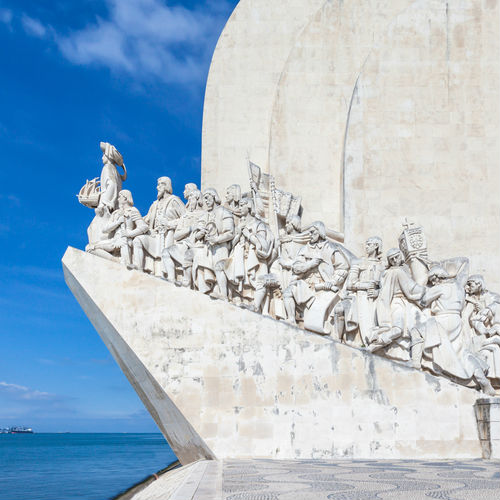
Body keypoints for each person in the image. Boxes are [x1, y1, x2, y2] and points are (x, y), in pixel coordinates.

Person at [410, 258, 496, 396]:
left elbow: (423, 301)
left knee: (417, 331)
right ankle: (483, 381)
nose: (433, 283)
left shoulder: (439, 287)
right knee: (462, 353)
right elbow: (464, 262)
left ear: (437, 278)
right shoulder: (459, 288)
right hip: (457, 322)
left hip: (443, 319)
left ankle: (415, 363)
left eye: (433, 280)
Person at [283, 221, 349, 328]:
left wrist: (332, 282)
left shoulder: (331, 248)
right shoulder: (304, 249)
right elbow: (296, 267)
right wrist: (310, 264)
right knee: (288, 292)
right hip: (306, 285)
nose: (309, 235)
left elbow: (343, 268)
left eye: (312, 232)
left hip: (324, 286)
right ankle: (291, 319)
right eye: (309, 232)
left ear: (319, 232)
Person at [368, 248, 425, 361]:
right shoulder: (396, 271)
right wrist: (424, 290)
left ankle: (415, 361)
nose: (395, 260)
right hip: (397, 303)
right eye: (392, 259)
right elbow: (411, 288)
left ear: (400, 256)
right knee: (398, 329)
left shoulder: (395, 271)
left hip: (404, 304)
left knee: (416, 330)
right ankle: (376, 342)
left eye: (396, 257)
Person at [335, 237, 385, 346]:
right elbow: (350, 284)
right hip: (360, 296)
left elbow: (387, 286)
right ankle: (340, 339)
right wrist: (365, 285)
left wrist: (378, 292)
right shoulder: (358, 262)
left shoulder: (383, 266)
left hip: (377, 299)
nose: (366, 247)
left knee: (375, 324)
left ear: (376, 246)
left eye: (369, 244)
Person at [132, 177, 185, 273]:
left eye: (160, 184)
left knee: (165, 257)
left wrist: (169, 224)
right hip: (155, 236)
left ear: (166, 186)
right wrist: (132, 217)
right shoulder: (155, 204)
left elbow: (186, 218)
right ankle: (138, 269)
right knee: (138, 240)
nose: (157, 187)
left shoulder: (174, 200)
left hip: (169, 236)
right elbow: (146, 220)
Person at [191, 188, 235, 299]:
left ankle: (223, 294)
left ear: (214, 196)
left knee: (218, 267)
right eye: (204, 199)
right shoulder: (205, 215)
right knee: (199, 261)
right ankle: (206, 291)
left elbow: (230, 233)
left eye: (207, 197)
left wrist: (217, 239)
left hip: (221, 246)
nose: (205, 201)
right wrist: (201, 233)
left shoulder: (224, 212)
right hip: (207, 247)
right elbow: (196, 235)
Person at [87, 190, 147, 266]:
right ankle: (117, 261)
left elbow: (143, 227)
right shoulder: (116, 213)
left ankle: (125, 263)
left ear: (125, 198)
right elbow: (105, 229)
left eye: (119, 197)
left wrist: (129, 234)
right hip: (114, 240)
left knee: (126, 262)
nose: (118, 199)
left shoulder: (133, 210)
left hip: (126, 240)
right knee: (90, 248)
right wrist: (117, 222)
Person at [162, 188, 204, 287]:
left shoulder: (204, 214)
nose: (189, 201)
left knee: (188, 256)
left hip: (197, 244)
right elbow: (177, 235)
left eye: (191, 198)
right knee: (166, 252)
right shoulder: (185, 216)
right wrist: (190, 228)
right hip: (184, 243)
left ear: (197, 199)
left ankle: (187, 282)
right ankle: (171, 279)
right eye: (188, 199)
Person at [96, 142, 127, 217]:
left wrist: (104, 203)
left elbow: (112, 185)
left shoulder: (107, 167)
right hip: (115, 204)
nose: (102, 158)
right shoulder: (115, 171)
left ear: (108, 156)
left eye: (103, 155)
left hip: (107, 205)